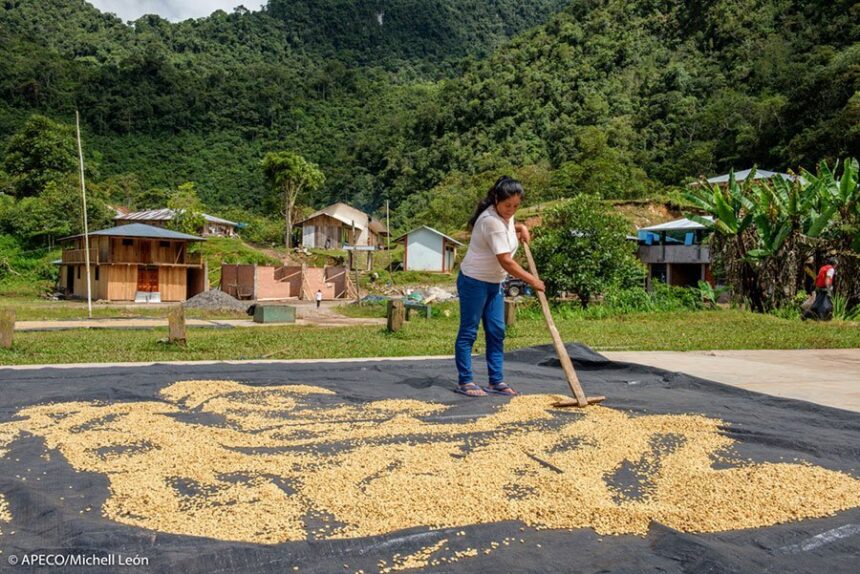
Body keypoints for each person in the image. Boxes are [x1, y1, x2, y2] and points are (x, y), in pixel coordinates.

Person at [454, 176, 545, 397]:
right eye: (507, 206)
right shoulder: (490, 221)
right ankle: (465, 381)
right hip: (474, 281)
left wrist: (520, 227)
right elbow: (506, 261)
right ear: (496, 200)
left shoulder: (507, 217)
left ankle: (496, 381)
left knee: (497, 331)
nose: (511, 210)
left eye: (516, 206)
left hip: (495, 283)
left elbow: (508, 229)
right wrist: (532, 281)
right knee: (469, 331)